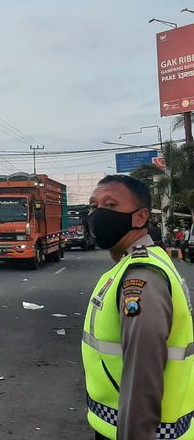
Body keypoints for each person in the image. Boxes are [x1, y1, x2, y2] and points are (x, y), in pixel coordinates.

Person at [83, 175, 194, 440]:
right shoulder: (137, 263)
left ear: (140, 217)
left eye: (110, 206)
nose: (97, 214)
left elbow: (142, 373)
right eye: (93, 206)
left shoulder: (141, 276)